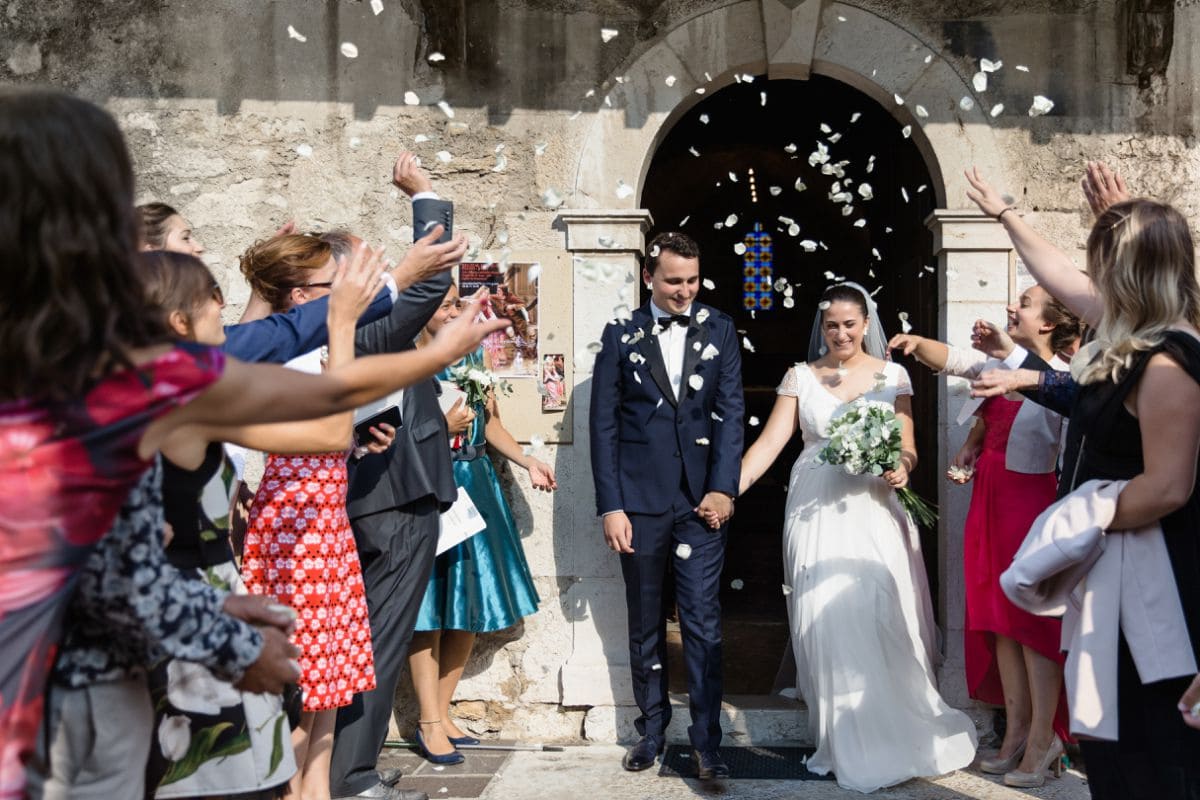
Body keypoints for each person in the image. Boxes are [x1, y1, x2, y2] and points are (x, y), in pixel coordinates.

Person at [0, 86, 505, 798]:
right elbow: (113, 577)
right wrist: (231, 640)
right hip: (72, 698)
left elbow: (294, 387)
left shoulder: (87, 355)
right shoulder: (109, 368)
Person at [965, 167, 1200, 798]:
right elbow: (1058, 276)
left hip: (1155, 575)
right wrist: (1006, 215)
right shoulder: (1132, 331)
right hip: (1115, 562)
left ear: (1129, 272)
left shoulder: (1169, 361)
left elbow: (1169, 487)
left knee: (1151, 742)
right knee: (1111, 738)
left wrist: (1072, 520)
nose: (1089, 276)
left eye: (1103, 260)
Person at [737, 282, 977, 793]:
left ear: (867, 323)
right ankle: (839, 735)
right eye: (832, 325)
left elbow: (908, 445)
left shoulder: (894, 375)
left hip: (873, 505)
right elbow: (769, 444)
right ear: (821, 327)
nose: (841, 333)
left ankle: (887, 723)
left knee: (877, 607)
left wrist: (902, 467)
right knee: (820, 612)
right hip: (814, 506)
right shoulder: (799, 377)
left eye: (850, 324)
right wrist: (725, 491)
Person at [889, 285, 1081, 786]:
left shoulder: (1062, 379)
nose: (1012, 307)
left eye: (1025, 303)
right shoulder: (999, 366)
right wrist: (914, 342)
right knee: (1000, 622)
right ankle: (1015, 732)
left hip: (1030, 509)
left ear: (1047, 324)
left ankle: (1045, 738)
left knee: (1032, 626)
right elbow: (953, 360)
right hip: (989, 504)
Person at [326, 156, 465, 800]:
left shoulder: (330, 335)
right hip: (396, 497)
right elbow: (428, 288)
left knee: (359, 637)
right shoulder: (363, 328)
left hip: (366, 494)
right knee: (380, 639)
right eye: (364, 262)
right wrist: (424, 196)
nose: (376, 267)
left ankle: (335, 767)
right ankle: (350, 775)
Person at [238, 234, 390, 800]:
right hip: (295, 529)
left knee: (331, 682)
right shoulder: (284, 360)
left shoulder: (317, 350)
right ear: (301, 297)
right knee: (301, 687)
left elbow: (331, 439)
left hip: (327, 523)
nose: (343, 291)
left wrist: (359, 442)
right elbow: (319, 431)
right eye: (333, 284)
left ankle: (317, 790)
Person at [589, 231, 744, 780]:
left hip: (702, 504)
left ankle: (707, 743)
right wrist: (611, 506)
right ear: (649, 277)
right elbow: (603, 425)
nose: (685, 291)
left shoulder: (720, 328)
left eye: (693, 281)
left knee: (703, 623)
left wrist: (724, 488)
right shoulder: (620, 333)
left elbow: (731, 413)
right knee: (645, 620)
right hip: (638, 503)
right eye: (674, 281)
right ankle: (651, 732)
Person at [406, 284, 556, 764]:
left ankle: (442, 711)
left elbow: (490, 422)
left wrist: (527, 460)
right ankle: (428, 721)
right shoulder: (405, 360)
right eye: (446, 304)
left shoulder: (474, 354)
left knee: (470, 600)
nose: (456, 311)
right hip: (432, 484)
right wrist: (440, 428)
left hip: (477, 484)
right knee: (429, 609)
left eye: (457, 302)